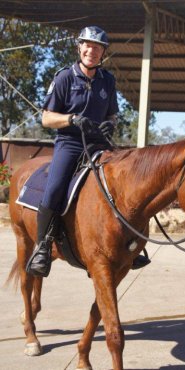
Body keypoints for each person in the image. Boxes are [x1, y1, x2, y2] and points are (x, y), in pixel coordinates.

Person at [26, 26, 150, 278]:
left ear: (103, 52)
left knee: (127, 184)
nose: (91, 51)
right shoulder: (64, 77)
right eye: (87, 45)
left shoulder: (108, 80)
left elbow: (113, 114)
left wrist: (111, 124)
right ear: (79, 47)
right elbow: (46, 118)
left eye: (97, 47)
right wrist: (71, 119)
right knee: (55, 187)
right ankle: (42, 246)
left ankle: (131, 245)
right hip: (70, 144)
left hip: (99, 144)